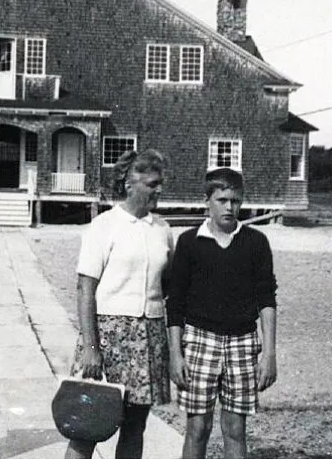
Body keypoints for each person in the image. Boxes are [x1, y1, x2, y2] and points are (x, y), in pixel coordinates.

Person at [65, 149, 174, 459]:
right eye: (153, 184)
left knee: (135, 427)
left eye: (160, 183)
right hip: (108, 338)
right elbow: (85, 291)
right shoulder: (104, 225)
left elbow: (166, 285)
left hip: (148, 337)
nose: (159, 190)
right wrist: (90, 348)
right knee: (87, 427)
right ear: (129, 183)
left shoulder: (163, 230)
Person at [165, 168, 277, 459]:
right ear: (208, 202)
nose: (229, 207)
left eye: (236, 201)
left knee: (235, 430)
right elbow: (175, 302)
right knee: (197, 429)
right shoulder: (189, 242)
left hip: (242, 342)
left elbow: (266, 298)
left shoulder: (255, 242)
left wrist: (270, 354)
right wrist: (175, 354)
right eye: (222, 200)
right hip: (199, 341)